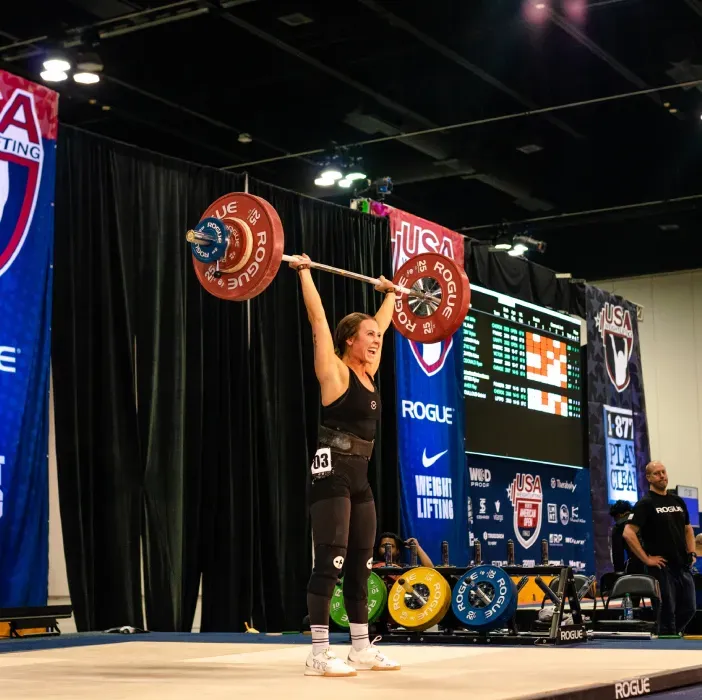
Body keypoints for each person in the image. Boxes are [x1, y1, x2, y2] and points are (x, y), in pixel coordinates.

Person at [289, 253, 401, 677]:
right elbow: (318, 322)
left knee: (361, 564)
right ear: (349, 340)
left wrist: (389, 294)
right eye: (368, 334)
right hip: (331, 473)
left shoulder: (370, 371)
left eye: (377, 334)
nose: (376, 339)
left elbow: (384, 325)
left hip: (361, 479)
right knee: (330, 563)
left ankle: (360, 648)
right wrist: (305, 273)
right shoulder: (334, 372)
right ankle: (318, 653)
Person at [623, 461, 697, 637]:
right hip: (661, 567)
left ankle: (671, 634)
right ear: (648, 478)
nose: (662, 476)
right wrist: (647, 559)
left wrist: (692, 552)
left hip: (682, 564)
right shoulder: (645, 503)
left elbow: (688, 528)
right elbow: (628, 533)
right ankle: (667, 639)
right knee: (666, 610)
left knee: (690, 608)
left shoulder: (677, 501)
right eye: (657, 473)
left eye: (663, 472)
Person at [609, 500, 645, 574]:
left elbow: (618, 555)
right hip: (656, 563)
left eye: (615, 518)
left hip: (636, 567)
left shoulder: (619, 526)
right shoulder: (642, 518)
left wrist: (619, 575)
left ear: (619, 515)